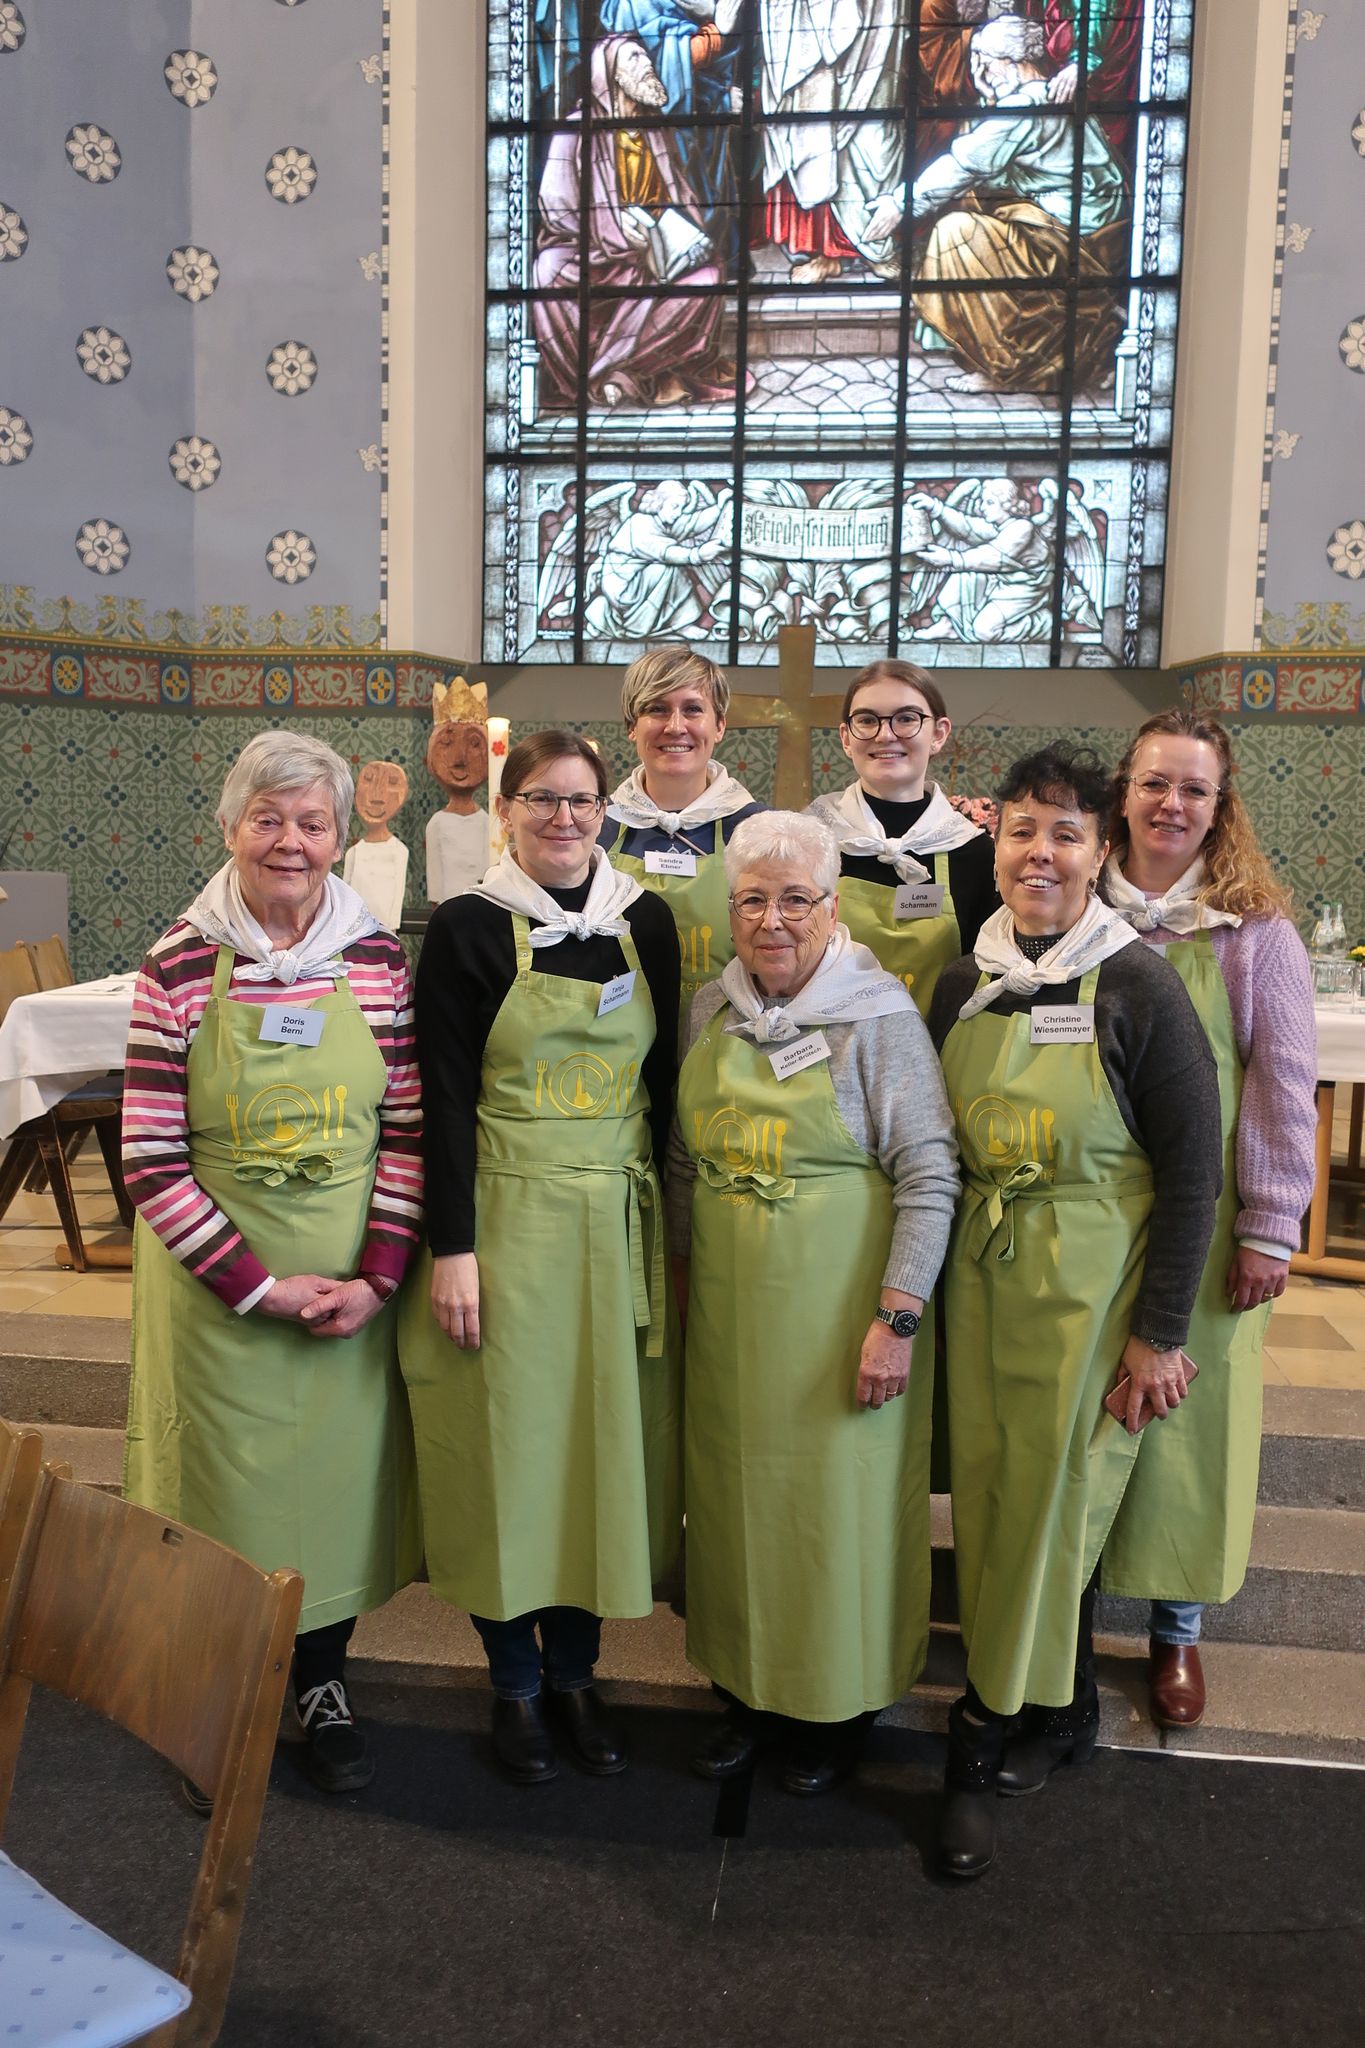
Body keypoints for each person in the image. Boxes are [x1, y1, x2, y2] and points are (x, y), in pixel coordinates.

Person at [927, 744, 1221, 1878]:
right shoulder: (964, 981)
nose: (1039, 854)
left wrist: (1160, 1332)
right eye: (1021, 831)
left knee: (1057, 1506)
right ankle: (1060, 1703)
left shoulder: (1138, 985)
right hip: (984, 1285)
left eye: (1065, 833)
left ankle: (982, 1729)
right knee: (995, 1501)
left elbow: (1191, 1173)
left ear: (1101, 852)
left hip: (1092, 1292)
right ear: (994, 845)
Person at [122, 732, 423, 1799]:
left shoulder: (377, 959)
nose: (290, 842)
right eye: (268, 819)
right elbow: (149, 1154)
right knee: (219, 1502)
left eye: (312, 822)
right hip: (219, 1298)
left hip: (345, 1287)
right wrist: (254, 1285)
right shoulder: (176, 964)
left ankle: (321, 1680)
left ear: (340, 837)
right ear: (229, 828)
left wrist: (377, 1276)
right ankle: (213, 1699)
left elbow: (407, 1129)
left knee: (330, 1495)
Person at [399, 731, 682, 1785]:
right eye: (542, 799)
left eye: (583, 800)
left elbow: (665, 1081)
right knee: (510, 1454)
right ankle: (514, 1681)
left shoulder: (645, 919)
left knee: (596, 1454)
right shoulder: (469, 925)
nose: (565, 819)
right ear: (507, 810)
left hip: (612, 1223)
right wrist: (453, 1246)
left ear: (607, 809)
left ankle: (576, 1673)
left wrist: (670, 1233)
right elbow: (443, 1097)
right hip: (507, 1221)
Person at [669, 811, 958, 1793]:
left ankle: (837, 1706)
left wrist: (897, 1318)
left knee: (834, 1514)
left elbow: (930, 1173)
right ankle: (746, 1690)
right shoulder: (709, 1009)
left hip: (844, 1325)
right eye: (752, 900)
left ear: (833, 909)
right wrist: (680, 1281)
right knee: (736, 1506)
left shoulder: (877, 1018)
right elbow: (681, 1161)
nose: (773, 920)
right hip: (731, 1323)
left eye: (795, 899)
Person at [1100, 711, 1317, 1728]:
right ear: (1123, 791)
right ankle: (1066, 1603)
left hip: (1211, 1212)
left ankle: (1176, 1627)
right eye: (1154, 782)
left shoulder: (1250, 930)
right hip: (1092, 1210)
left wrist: (1270, 1220)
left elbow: (1282, 1079)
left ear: (1219, 805)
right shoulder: (1075, 903)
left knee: (1193, 1421)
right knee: (1089, 1406)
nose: (1171, 804)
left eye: (1193, 788)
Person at [866, 17, 1128, 394]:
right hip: (1086, 234)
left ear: (1014, 61)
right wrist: (990, 97)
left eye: (986, 62)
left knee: (955, 233)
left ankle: (1009, 365)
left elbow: (967, 163)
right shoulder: (1047, 96)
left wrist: (899, 204)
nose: (980, 72)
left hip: (1070, 242)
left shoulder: (1026, 105)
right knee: (977, 205)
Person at [533, 36, 732, 409]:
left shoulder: (654, 130)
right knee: (548, 269)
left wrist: (684, 236)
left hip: (652, 255)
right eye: (635, 57)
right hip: (596, 253)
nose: (647, 62)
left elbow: (680, 193)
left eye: (645, 55)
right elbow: (556, 205)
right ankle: (596, 375)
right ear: (611, 74)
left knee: (710, 276)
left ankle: (623, 371)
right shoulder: (576, 128)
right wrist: (611, 228)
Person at [807, 659, 997, 1017]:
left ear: (938, 733)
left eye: (906, 718)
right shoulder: (809, 841)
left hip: (940, 1046)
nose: (885, 735)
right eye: (867, 720)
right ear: (846, 737)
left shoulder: (975, 854)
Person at [599, 646, 764, 1027]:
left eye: (692, 709)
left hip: (729, 1041)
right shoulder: (596, 827)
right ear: (631, 726)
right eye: (657, 709)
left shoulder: (758, 831)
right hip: (618, 1042)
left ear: (719, 726)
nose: (675, 726)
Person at [758, 0, 908, 281]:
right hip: (808, 25)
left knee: (874, 134)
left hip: (879, 24)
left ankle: (873, 246)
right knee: (818, 135)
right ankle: (826, 253)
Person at [343, 759, 410, 929]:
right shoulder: (354, 852)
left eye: (392, 782)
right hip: (355, 928)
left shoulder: (399, 851)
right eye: (368, 780)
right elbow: (345, 894)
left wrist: (392, 928)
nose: (377, 796)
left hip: (385, 930)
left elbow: (398, 894)